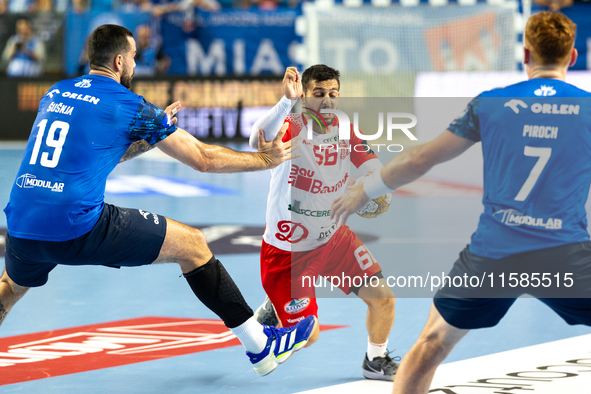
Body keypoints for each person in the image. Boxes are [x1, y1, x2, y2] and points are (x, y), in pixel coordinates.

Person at [0, 24, 317, 378]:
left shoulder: (55, 93)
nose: (135, 65)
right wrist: (263, 160)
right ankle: (262, 346)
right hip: (76, 225)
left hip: (22, 224)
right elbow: (203, 159)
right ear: (119, 61)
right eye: (134, 57)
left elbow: (99, 152)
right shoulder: (129, 104)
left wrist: (148, 138)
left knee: (11, 287)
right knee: (194, 245)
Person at [330, 12, 591, 393]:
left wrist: (364, 190)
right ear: (572, 57)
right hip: (565, 252)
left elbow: (421, 159)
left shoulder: (491, 103)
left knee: (433, 343)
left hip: (494, 253)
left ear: (526, 54)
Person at [249, 65, 398, 381]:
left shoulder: (345, 127)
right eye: (319, 94)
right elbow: (255, 141)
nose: (327, 101)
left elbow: (373, 166)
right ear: (304, 95)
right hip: (289, 254)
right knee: (309, 335)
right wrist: (286, 103)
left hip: (334, 238)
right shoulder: (291, 125)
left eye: (333, 94)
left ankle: (375, 360)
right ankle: (276, 314)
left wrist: (372, 187)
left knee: (383, 298)